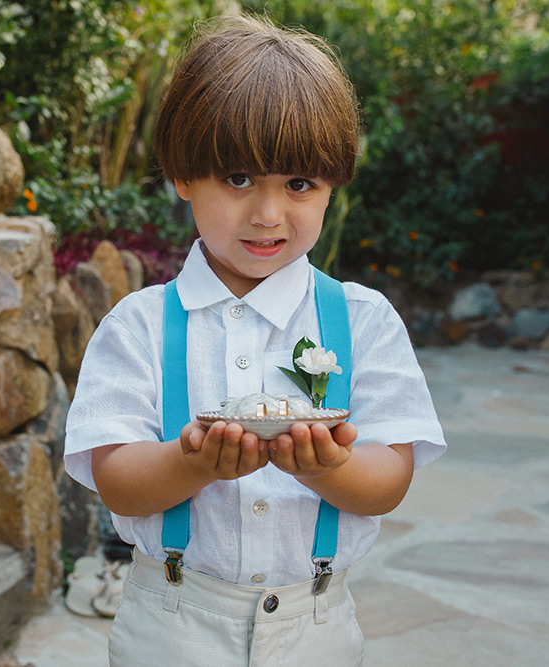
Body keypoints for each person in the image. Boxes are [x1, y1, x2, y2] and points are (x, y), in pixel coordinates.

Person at [64, 13, 446, 666]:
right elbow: (116, 479)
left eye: (299, 184)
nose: (269, 214)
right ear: (184, 175)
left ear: (332, 185)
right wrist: (192, 462)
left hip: (316, 623)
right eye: (238, 178)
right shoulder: (138, 324)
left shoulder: (364, 320)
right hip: (174, 621)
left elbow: (390, 476)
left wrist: (330, 466)